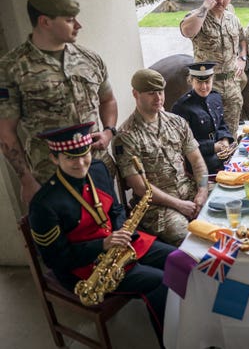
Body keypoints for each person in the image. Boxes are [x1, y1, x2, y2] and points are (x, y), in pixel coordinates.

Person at [28, 122, 174, 345]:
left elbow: (115, 209)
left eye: (84, 154)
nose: (80, 163)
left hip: (118, 243)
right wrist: (103, 245)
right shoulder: (43, 203)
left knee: (178, 259)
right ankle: (172, 341)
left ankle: (191, 321)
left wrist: (120, 232)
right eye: (70, 158)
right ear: (54, 158)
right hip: (84, 268)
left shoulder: (97, 169)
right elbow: (55, 259)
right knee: (160, 282)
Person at [0, 0, 118, 205]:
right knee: (71, 237)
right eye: (70, 20)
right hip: (51, 174)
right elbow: (6, 131)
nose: (79, 25)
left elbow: (108, 99)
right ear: (45, 22)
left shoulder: (89, 58)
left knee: (115, 228)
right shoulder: (11, 68)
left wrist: (109, 132)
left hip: (97, 165)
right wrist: (26, 180)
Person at [113, 69, 209, 246]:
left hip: (189, 191)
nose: (158, 98)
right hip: (157, 206)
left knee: (226, 206)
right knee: (188, 238)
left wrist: (202, 192)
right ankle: (196, 272)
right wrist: (180, 205)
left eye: (160, 92)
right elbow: (140, 187)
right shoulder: (126, 136)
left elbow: (196, 161)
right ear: (135, 94)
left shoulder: (176, 122)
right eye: (151, 93)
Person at [180, 0, 248, 137]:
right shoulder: (198, 15)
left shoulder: (232, 19)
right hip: (206, 87)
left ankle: (229, 160)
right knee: (206, 135)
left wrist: (242, 58)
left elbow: (243, 39)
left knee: (230, 134)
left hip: (231, 86)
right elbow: (187, 31)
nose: (221, 1)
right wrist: (205, 7)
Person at [171, 62, 235, 174]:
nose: (204, 87)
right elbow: (183, 144)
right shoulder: (182, 107)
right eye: (199, 82)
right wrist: (212, 147)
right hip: (201, 162)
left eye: (207, 82)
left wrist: (225, 139)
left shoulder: (215, 97)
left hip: (222, 154)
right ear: (191, 81)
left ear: (212, 80)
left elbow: (221, 124)